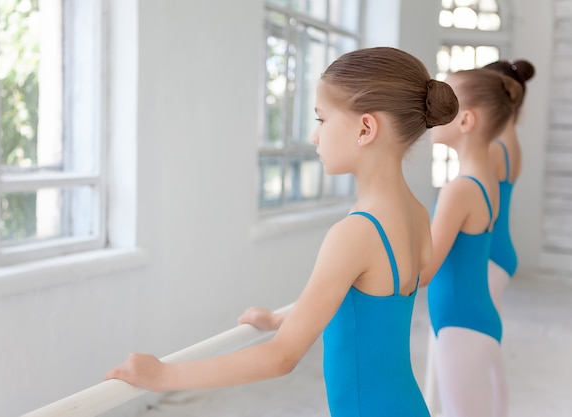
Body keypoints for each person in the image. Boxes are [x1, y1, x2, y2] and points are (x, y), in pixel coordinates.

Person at [105, 47, 459, 417]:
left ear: (366, 128)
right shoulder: (417, 214)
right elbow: (372, 311)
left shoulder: (356, 232)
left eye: (322, 119)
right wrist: (279, 321)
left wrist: (164, 376)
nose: (314, 135)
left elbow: (282, 357)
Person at [419, 68, 523, 417]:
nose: (429, 113)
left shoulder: (460, 189)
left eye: (441, 103)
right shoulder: (481, 181)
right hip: (470, 320)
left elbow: (423, 271)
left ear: (465, 120)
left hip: (461, 324)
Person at [482, 58, 535, 417]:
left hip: (488, 254)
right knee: (487, 349)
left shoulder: (494, 147)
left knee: (483, 351)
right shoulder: (511, 141)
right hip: (500, 251)